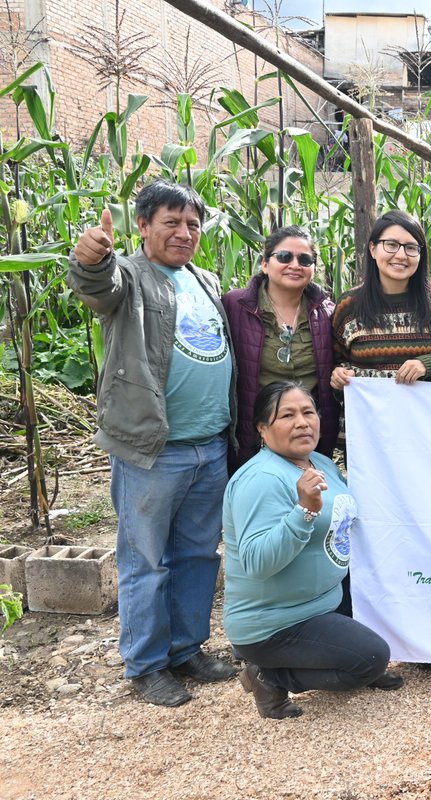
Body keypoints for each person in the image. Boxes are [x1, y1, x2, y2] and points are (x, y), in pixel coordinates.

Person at [67, 180, 238, 707]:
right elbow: (98, 286)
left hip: (209, 447)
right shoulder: (131, 278)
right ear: (143, 226)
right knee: (145, 560)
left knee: (196, 556)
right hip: (153, 450)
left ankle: (187, 648)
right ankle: (145, 665)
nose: (184, 233)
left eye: (192, 224)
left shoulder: (204, 279)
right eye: (171, 222)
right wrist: (92, 257)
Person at [223, 381, 401, 719]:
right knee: (371, 658)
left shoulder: (318, 462)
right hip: (278, 620)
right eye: (287, 415)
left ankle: (343, 649)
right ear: (262, 428)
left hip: (325, 598)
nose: (302, 422)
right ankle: (269, 675)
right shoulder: (261, 479)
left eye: (308, 412)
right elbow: (256, 563)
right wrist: (304, 510)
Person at [223, 226, 339, 472]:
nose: (295, 265)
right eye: (285, 257)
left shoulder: (327, 313)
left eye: (305, 259)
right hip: (253, 437)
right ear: (265, 264)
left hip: (306, 439)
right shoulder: (235, 306)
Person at [331, 210, 431, 389]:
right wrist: (339, 376)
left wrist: (430, 365)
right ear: (373, 249)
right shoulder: (349, 306)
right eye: (391, 244)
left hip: (428, 416)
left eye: (411, 248)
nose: (401, 255)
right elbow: (336, 364)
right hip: (369, 416)